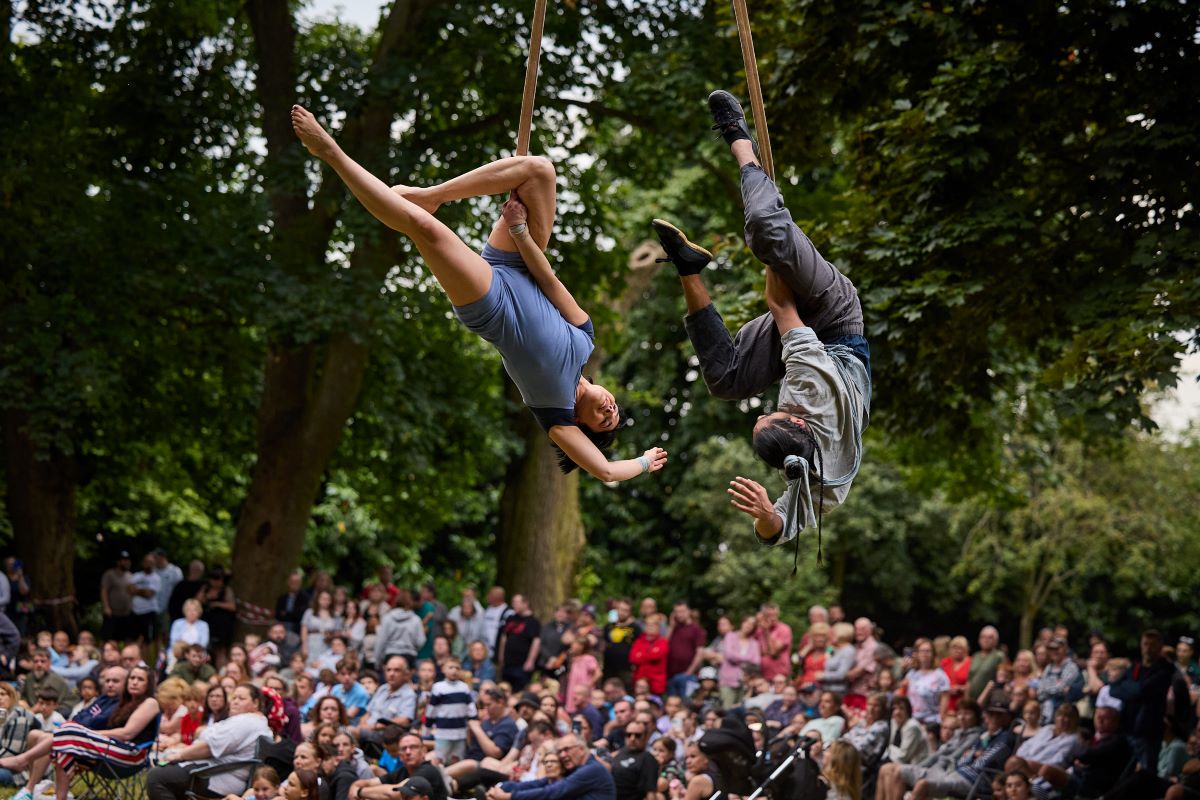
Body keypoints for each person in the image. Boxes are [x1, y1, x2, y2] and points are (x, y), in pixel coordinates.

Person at [290, 105, 668, 483]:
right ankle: (434, 194)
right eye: (614, 408)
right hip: (518, 265)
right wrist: (519, 231)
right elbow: (548, 278)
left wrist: (645, 461)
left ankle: (330, 152)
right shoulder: (585, 338)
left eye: (604, 419)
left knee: (425, 228)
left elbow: (605, 471)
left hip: (490, 306)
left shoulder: (555, 417)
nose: (608, 407)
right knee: (539, 171)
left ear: (581, 425)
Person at [656, 91, 870, 560]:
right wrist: (776, 256)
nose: (760, 414)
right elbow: (779, 302)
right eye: (767, 417)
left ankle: (688, 266)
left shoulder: (819, 480)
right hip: (834, 318)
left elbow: (781, 528)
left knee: (727, 378)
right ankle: (738, 138)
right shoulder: (810, 385)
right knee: (766, 233)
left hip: (804, 339)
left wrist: (764, 514)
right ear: (796, 417)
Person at [147, 683, 273, 800]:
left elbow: (209, 747)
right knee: (165, 772)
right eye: (234, 698)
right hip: (216, 772)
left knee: (157, 777)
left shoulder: (246, 721)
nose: (235, 702)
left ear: (256, 703)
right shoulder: (255, 722)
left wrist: (179, 755)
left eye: (241, 698)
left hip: (215, 776)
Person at [485, 732, 615, 800]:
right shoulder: (574, 768)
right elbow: (538, 784)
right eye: (560, 751)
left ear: (581, 749)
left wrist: (508, 797)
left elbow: (551, 793)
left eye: (567, 749)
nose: (563, 755)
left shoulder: (592, 769)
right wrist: (502, 788)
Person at [427, 656, 475, 763]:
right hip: (443, 732)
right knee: (440, 759)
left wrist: (473, 721)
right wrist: (428, 727)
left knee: (457, 759)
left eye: (457, 668)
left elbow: (471, 708)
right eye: (451, 667)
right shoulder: (438, 687)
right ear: (443, 669)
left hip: (460, 732)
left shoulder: (464, 688)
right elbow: (432, 709)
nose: (454, 670)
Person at [498, 595, 541, 692]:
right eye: (513, 602)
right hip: (508, 663)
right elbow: (504, 637)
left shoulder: (533, 622)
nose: (514, 605)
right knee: (504, 688)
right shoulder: (510, 618)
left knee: (520, 690)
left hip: (522, 665)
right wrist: (501, 656)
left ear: (525, 604)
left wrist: (531, 660)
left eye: (517, 602)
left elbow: (536, 641)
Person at [198, 567, 237, 668]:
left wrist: (217, 604)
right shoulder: (205, 588)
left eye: (217, 579)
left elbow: (232, 606)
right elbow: (196, 600)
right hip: (207, 623)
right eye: (212, 579)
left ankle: (222, 671)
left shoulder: (226, 590)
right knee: (206, 649)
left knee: (220, 650)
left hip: (221, 625)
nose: (215, 582)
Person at [609, 720, 657, 800]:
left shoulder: (647, 759)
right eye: (628, 735)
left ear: (646, 737)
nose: (632, 738)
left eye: (637, 735)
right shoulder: (618, 754)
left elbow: (650, 793)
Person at [373, 595, 424, 668]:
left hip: (390, 656)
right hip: (409, 656)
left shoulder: (387, 618)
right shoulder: (416, 619)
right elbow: (420, 641)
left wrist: (377, 662)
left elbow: (381, 641)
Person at [965, 626, 1002, 701]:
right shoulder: (975, 656)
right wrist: (966, 698)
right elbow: (969, 679)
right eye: (983, 637)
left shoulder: (999, 656)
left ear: (996, 641)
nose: (986, 640)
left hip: (988, 699)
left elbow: (1001, 679)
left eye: (990, 637)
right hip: (971, 699)